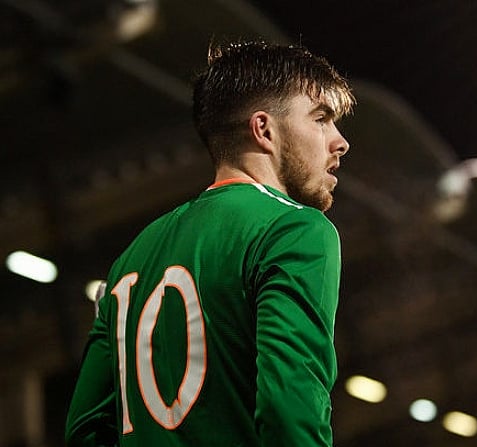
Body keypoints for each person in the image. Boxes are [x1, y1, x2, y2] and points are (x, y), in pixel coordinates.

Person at [65, 39, 355, 447]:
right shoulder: (295, 229)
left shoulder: (131, 258)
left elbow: (85, 431)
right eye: (321, 118)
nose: (339, 141)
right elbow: (290, 408)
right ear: (264, 130)